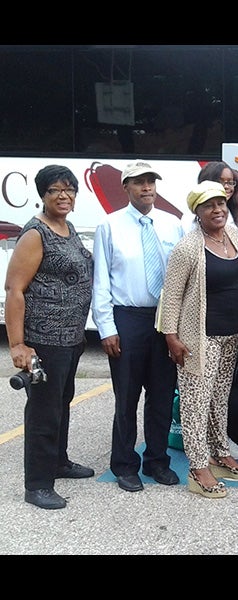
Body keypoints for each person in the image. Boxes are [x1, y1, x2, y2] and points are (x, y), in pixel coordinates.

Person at [4, 165, 94, 509]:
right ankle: (38, 485)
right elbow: (14, 289)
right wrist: (17, 344)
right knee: (43, 411)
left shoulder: (67, 228)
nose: (64, 196)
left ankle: (58, 461)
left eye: (69, 190)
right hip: (44, 339)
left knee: (61, 404)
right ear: (42, 194)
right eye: (55, 190)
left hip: (70, 338)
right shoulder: (35, 234)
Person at [159, 180, 238, 498]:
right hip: (198, 338)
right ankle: (198, 467)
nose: (217, 210)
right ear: (197, 212)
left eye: (221, 204)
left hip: (231, 335)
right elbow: (171, 297)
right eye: (209, 206)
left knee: (218, 399)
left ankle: (219, 452)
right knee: (195, 403)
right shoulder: (188, 247)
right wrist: (171, 338)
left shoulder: (235, 238)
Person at [92, 161, 184, 493]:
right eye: (139, 182)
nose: (146, 187)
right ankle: (124, 464)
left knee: (161, 395)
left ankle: (157, 460)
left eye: (150, 182)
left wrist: (180, 325)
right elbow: (100, 280)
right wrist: (106, 328)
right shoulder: (109, 225)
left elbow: (183, 277)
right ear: (126, 188)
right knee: (127, 397)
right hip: (127, 318)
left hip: (165, 320)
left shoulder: (174, 225)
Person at [195, 160, 238, 460]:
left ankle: (219, 443)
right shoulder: (191, 229)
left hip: (231, 323)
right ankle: (200, 451)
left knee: (219, 390)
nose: (228, 188)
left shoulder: (234, 221)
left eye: (231, 183)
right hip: (204, 325)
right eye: (222, 182)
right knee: (200, 393)